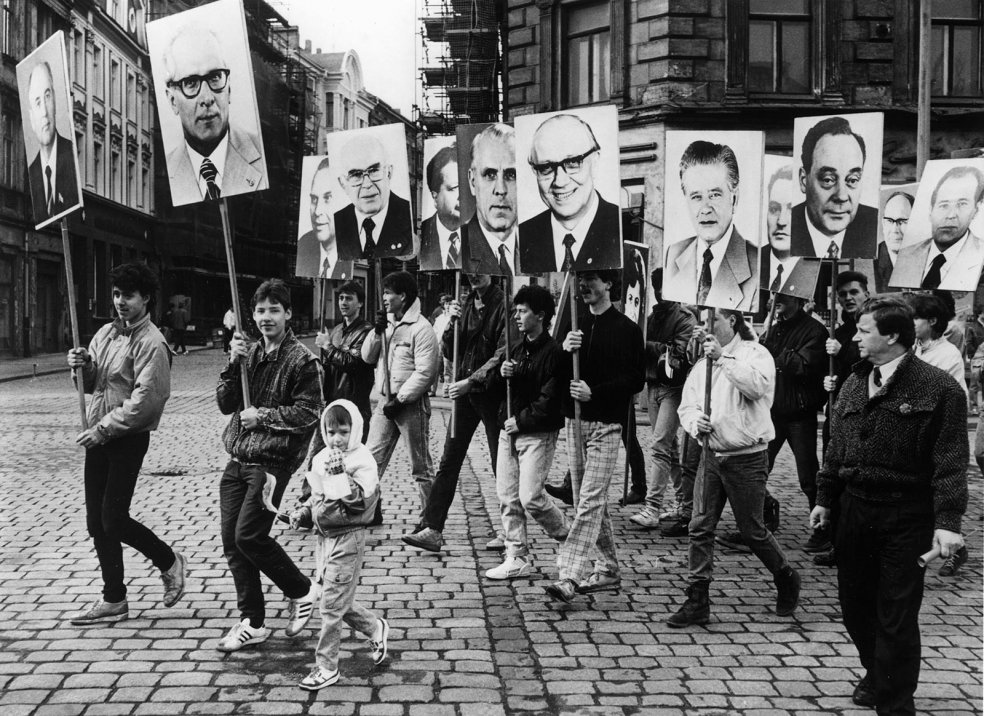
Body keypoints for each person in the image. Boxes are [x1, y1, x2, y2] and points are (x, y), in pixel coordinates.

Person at [811, 295, 968, 713]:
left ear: (893, 335)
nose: (855, 337)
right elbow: (836, 450)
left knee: (896, 616)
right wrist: (826, 499)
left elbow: (950, 463)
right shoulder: (852, 382)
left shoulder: (939, 389)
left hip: (907, 514)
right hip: (855, 511)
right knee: (855, 607)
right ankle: (877, 672)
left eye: (864, 330)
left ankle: (896, 703)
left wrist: (948, 521)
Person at [66, 262, 186, 625]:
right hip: (99, 434)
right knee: (95, 522)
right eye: (116, 294)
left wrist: (103, 430)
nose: (120, 302)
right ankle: (113, 598)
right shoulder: (105, 333)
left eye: (129, 296)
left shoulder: (153, 343)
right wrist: (81, 365)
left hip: (127, 438)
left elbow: (146, 401)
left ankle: (169, 560)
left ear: (146, 298)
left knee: (113, 518)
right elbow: (92, 386)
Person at [668, 309, 801, 628]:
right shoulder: (701, 366)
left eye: (712, 320)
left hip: (747, 456)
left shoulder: (756, 354)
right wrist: (693, 421)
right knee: (700, 526)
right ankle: (698, 598)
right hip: (712, 456)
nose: (704, 327)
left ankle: (785, 575)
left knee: (752, 529)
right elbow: (687, 405)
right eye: (702, 320)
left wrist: (723, 359)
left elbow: (756, 388)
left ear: (731, 321)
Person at [215, 279, 322, 652]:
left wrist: (262, 416)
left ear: (288, 314)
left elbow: (309, 413)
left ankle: (302, 590)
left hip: (271, 462)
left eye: (274, 310)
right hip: (238, 457)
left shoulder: (302, 360)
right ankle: (252, 621)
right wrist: (233, 363)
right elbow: (225, 403)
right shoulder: (251, 352)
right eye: (260, 310)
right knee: (232, 542)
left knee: (249, 536)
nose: (265, 317)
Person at [545, 269, 644, 604]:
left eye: (592, 279)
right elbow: (555, 374)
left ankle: (569, 574)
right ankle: (610, 567)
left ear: (609, 285)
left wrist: (595, 393)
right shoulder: (575, 326)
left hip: (606, 425)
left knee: (588, 500)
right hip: (575, 424)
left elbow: (635, 380)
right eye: (580, 279)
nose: (584, 285)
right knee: (589, 500)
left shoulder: (627, 329)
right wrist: (562, 349)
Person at [288, 400, 389, 691]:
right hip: (325, 539)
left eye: (343, 431)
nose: (336, 439)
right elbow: (317, 497)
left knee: (331, 605)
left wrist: (339, 474)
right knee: (333, 598)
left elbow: (360, 502)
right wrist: (303, 512)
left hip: (349, 537)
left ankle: (326, 666)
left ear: (355, 429)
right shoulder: (322, 457)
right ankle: (374, 627)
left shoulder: (363, 460)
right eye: (331, 432)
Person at [402, 273, 506, 552]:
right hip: (465, 394)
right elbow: (448, 350)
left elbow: (502, 354)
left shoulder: (503, 305)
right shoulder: (466, 303)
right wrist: (452, 324)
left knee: (501, 463)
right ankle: (432, 528)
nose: (473, 276)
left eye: (479, 270)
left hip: (492, 394)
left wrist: (472, 381)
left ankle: (510, 532)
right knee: (449, 460)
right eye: (470, 271)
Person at [484, 284, 570, 579]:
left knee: (531, 496)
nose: (517, 317)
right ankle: (516, 555)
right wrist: (501, 373)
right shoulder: (515, 348)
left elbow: (549, 400)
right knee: (507, 495)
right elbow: (494, 388)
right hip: (508, 431)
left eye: (523, 311)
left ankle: (567, 538)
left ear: (541, 315)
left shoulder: (555, 353)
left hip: (537, 433)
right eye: (516, 311)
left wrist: (521, 421)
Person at [361, 271, 439, 522]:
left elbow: (426, 372)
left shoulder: (422, 328)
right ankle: (371, 510)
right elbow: (367, 357)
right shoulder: (387, 324)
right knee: (371, 460)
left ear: (402, 296)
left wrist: (401, 399)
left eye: (388, 293)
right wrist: (376, 333)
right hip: (386, 404)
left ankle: (430, 520)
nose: (383, 298)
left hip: (410, 405)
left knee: (421, 466)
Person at [161, 26, 267, 205]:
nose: (207, 98)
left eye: (215, 77)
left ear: (229, 89)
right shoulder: (165, 171)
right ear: (173, 101)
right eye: (190, 83)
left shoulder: (263, 160)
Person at [629, 268, 697, 533]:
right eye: (657, 288)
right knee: (668, 448)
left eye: (664, 288)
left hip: (674, 387)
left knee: (659, 445)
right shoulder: (650, 317)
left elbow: (678, 353)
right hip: (653, 385)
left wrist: (646, 343)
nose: (660, 293)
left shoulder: (684, 318)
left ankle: (652, 507)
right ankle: (683, 502)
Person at [761, 294, 829, 551]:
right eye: (773, 295)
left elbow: (803, 365)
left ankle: (822, 530)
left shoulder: (815, 330)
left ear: (798, 300)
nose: (775, 299)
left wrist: (773, 355)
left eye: (783, 296)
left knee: (808, 476)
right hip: (773, 411)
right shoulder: (773, 328)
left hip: (800, 413)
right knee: (759, 469)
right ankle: (761, 522)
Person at [518, 114, 621, 274]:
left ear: (595, 162)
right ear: (535, 171)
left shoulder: (623, 229)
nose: (560, 181)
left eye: (572, 163)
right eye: (546, 168)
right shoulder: (521, 238)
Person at [663, 141, 758, 311]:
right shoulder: (674, 253)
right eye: (696, 197)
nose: (706, 209)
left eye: (714, 195)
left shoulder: (758, 264)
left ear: (734, 199)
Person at [790, 116, 878, 259]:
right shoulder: (784, 227)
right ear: (803, 180)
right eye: (828, 180)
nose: (842, 196)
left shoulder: (878, 227)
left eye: (852, 180)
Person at [890, 166, 984, 291]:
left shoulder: (980, 256)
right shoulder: (907, 255)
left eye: (962, 204)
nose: (950, 215)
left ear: (976, 210)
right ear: (931, 210)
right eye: (944, 205)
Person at [756, 165, 820, 321]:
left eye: (792, 210)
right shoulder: (754, 261)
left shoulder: (812, 262)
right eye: (774, 209)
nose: (781, 221)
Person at [334, 134, 413, 261]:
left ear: (389, 172)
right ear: (343, 183)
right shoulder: (334, 225)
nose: (367, 184)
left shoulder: (409, 216)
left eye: (374, 171)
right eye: (356, 175)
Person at [313, 281, 374, 440]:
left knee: (352, 455)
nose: (343, 302)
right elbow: (328, 367)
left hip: (355, 405)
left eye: (348, 298)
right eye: (340, 298)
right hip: (332, 404)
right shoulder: (337, 330)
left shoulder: (366, 331)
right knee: (321, 455)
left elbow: (353, 364)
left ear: (360, 303)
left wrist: (327, 346)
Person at [461, 124, 519, 276]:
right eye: (490, 174)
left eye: (511, 175)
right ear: (473, 181)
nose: (500, 190)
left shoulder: (539, 247)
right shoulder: (458, 248)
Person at [26, 61, 79, 223]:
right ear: (31, 117)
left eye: (47, 96)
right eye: (37, 102)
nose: (44, 112)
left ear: (55, 100)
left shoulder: (72, 158)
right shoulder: (30, 173)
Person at [296, 157, 354, 280]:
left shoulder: (354, 247)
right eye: (314, 199)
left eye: (328, 198)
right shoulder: (304, 245)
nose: (317, 211)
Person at [909, 293, 968, 394]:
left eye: (915, 318)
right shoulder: (912, 347)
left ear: (932, 321)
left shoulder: (950, 354)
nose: (910, 323)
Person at [419, 144, 461, 271]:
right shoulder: (422, 233)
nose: (462, 196)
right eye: (454, 188)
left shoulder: (483, 234)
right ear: (435, 197)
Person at [875, 191, 914, 292]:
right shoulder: (871, 262)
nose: (895, 230)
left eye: (902, 221)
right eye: (889, 221)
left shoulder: (927, 259)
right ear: (883, 224)